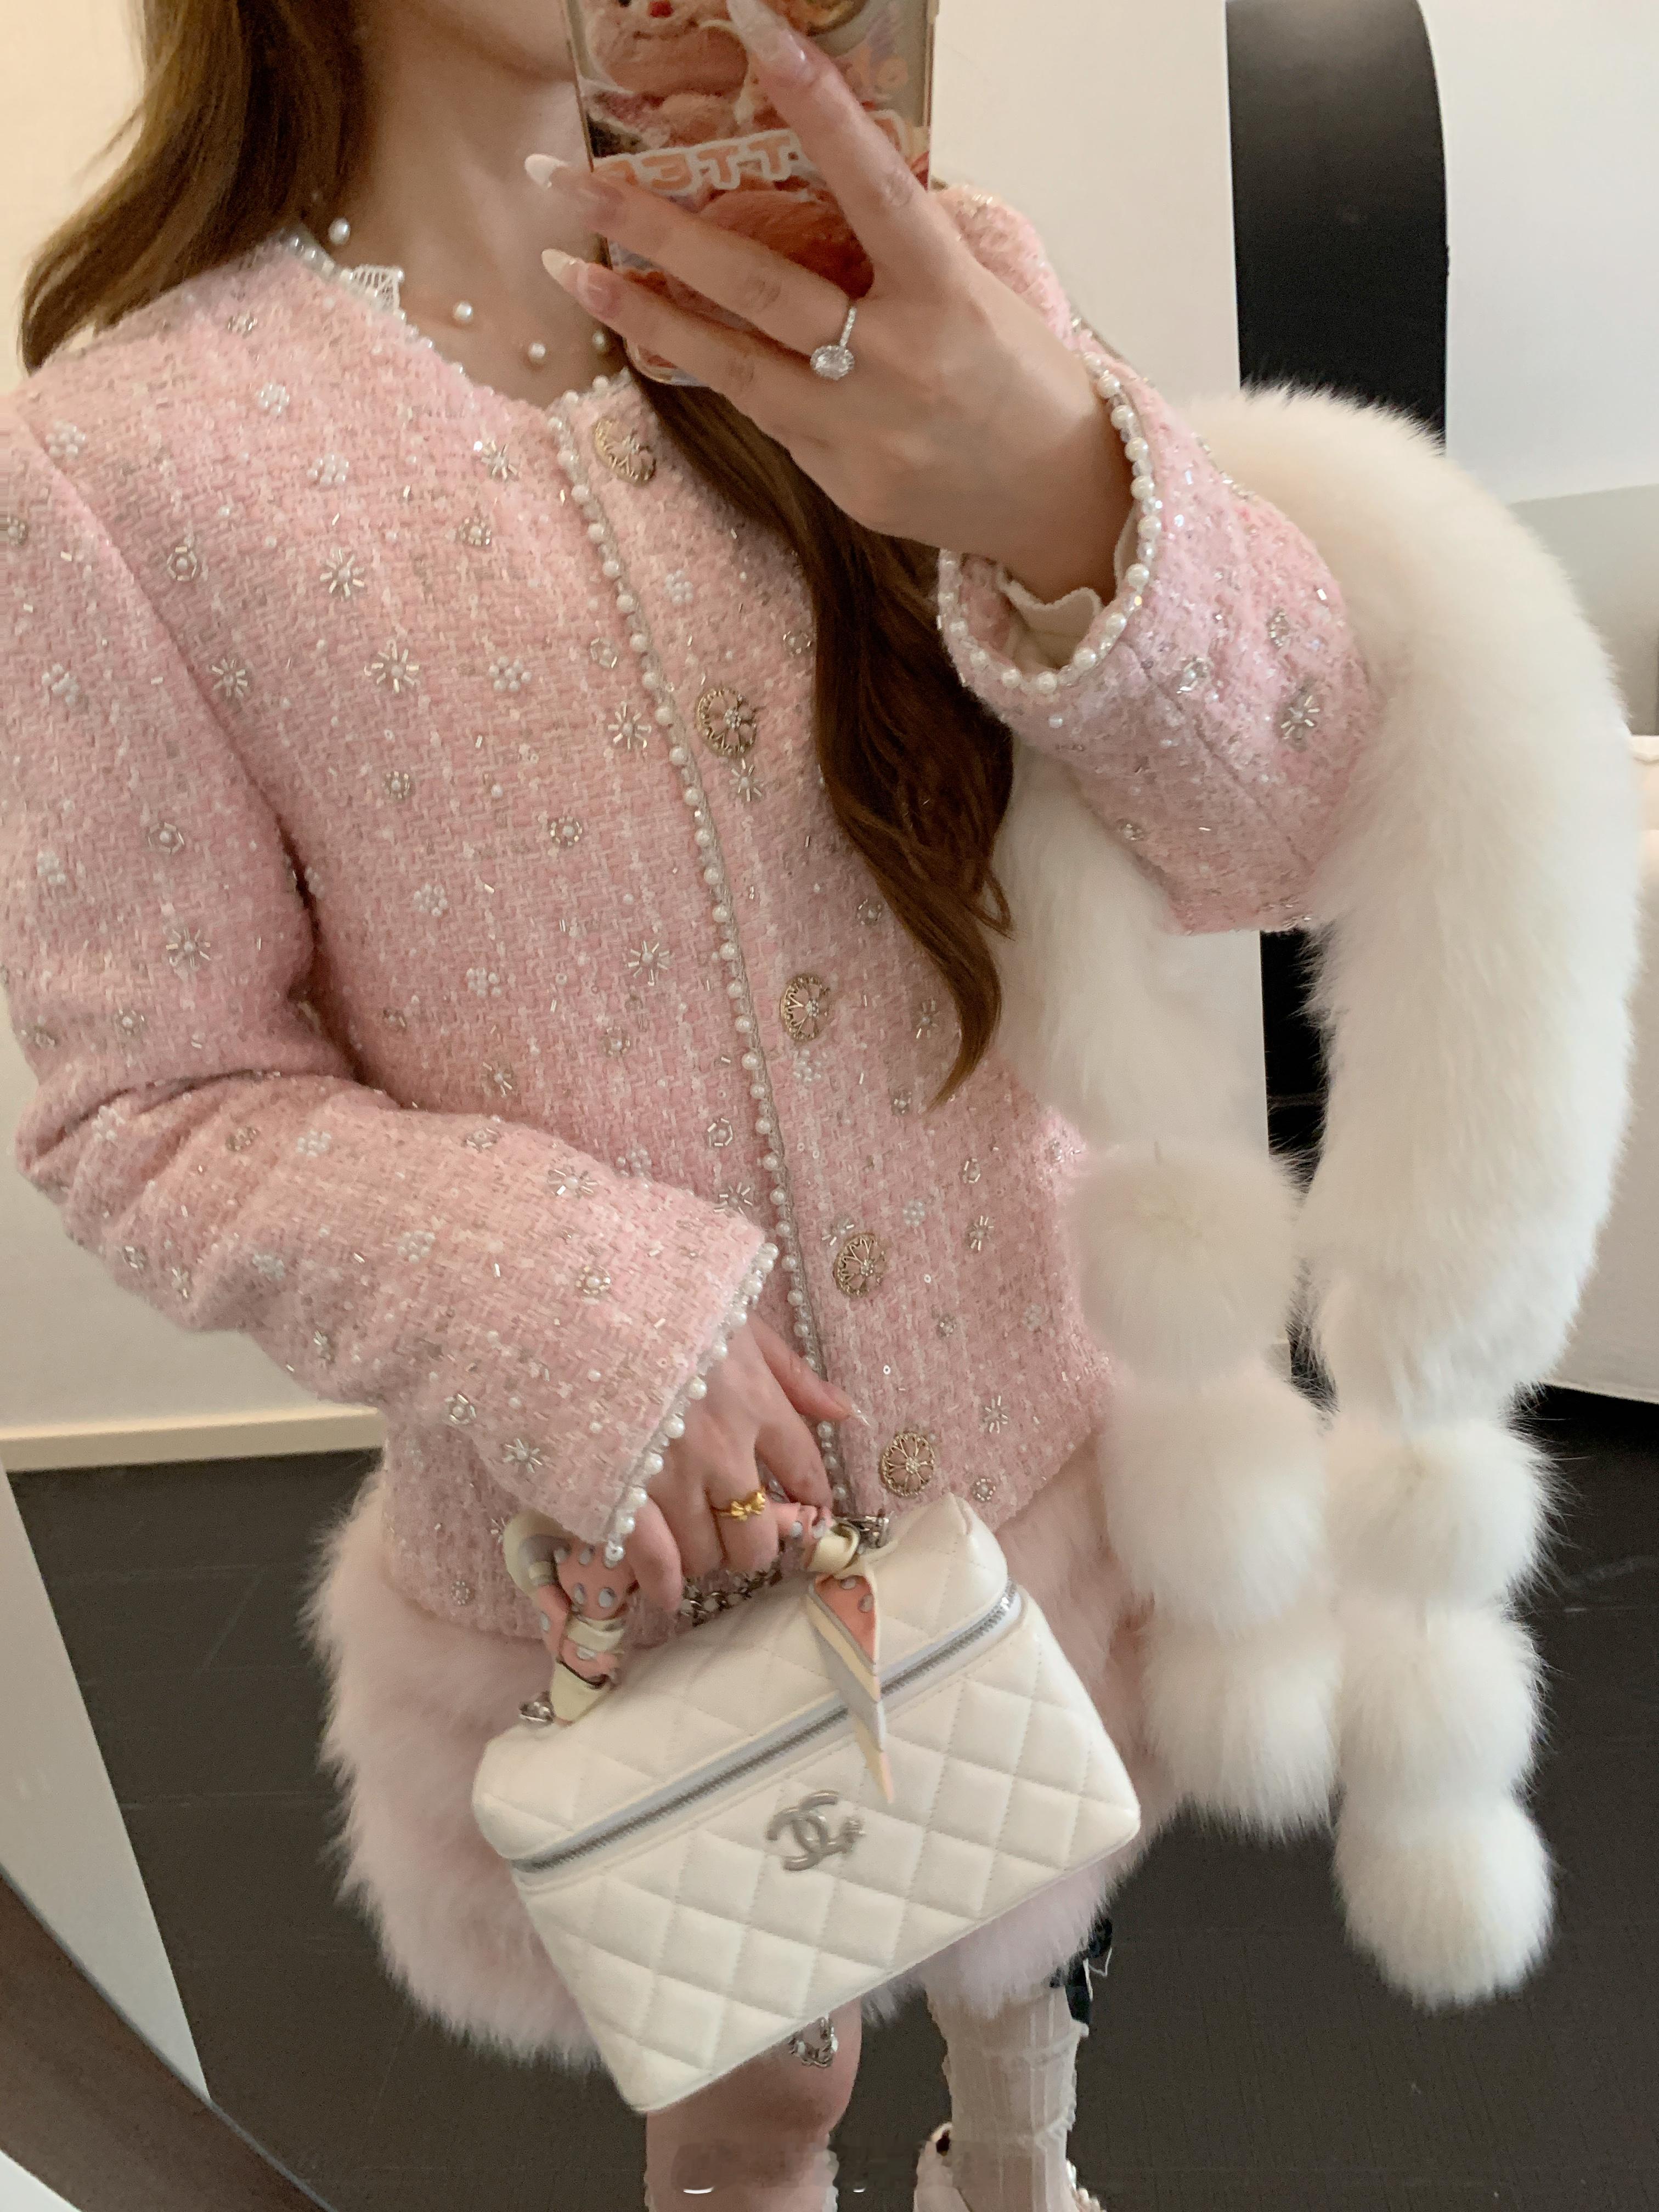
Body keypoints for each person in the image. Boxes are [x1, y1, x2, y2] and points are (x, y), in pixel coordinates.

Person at [0, 0, 1376, 2204]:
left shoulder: (902, 274)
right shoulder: (126, 462)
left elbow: (1289, 816)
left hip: (1043, 1441)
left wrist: (1058, 481)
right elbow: (146, 1104)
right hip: (635, 1577)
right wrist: (578, 1304)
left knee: (1040, 1928)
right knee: (757, 2095)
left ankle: (1021, 2171)